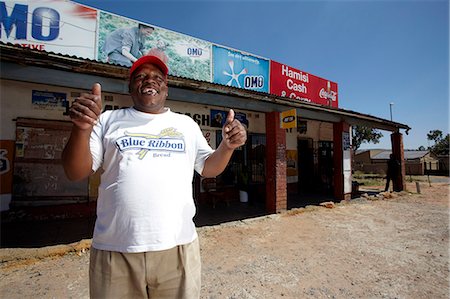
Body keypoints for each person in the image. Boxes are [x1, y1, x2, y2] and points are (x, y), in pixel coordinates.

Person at [62, 51, 247, 298]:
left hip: (177, 248)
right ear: (130, 87)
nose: (150, 80)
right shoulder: (108, 120)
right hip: (116, 250)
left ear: (166, 89)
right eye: (141, 76)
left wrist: (227, 146)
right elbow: (75, 172)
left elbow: (208, 167)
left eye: (158, 77)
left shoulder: (186, 125)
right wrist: (82, 129)